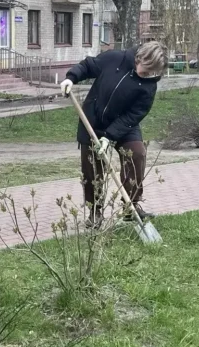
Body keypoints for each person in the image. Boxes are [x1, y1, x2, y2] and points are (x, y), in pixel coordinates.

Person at [61, 41, 167, 226]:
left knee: (136, 154)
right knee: (92, 167)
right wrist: (71, 78)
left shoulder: (149, 86)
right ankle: (95, 212)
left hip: (124, 126)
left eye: (152, 71)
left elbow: (133, 115)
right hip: (93, 121)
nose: (146, 73)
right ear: (140, 57)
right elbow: (88, 66)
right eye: (145, 68)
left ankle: (131, 206)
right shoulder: (115, 58)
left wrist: (109, 137)